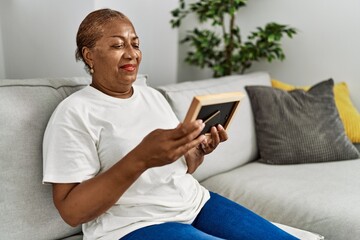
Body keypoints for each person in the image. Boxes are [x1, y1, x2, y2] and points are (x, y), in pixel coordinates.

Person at [43, 8, 299, 240]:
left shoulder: (152, 96)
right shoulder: (74, 112)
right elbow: (71, 212)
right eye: (117, 45)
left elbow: (180, 170)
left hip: (195, 203)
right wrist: (140, 158)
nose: (131, 53)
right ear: (89, 56)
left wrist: (196, 152)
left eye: (135, 44)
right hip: (134, 225)